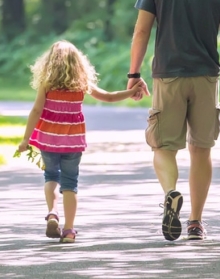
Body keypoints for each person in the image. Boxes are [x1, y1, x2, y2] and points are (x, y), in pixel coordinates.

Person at [128, 0, 220, 241]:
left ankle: (170, 193)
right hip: (207, 78)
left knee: (163, 146)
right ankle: (195, 222)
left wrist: (134, 74)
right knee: (201, 149)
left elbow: (141, 32)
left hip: (168, 77)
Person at [18, 40, 141, 243]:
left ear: (49, 63)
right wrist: (131, 91)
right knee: (70, 184)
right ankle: (68, 230)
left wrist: (25, 139)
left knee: (50, 176)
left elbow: (36, 110)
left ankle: (52, 213)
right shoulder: (82, 84)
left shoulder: (47, 84)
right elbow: (109, 97)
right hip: (73, 142)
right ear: (78, 63)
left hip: (49, 140)